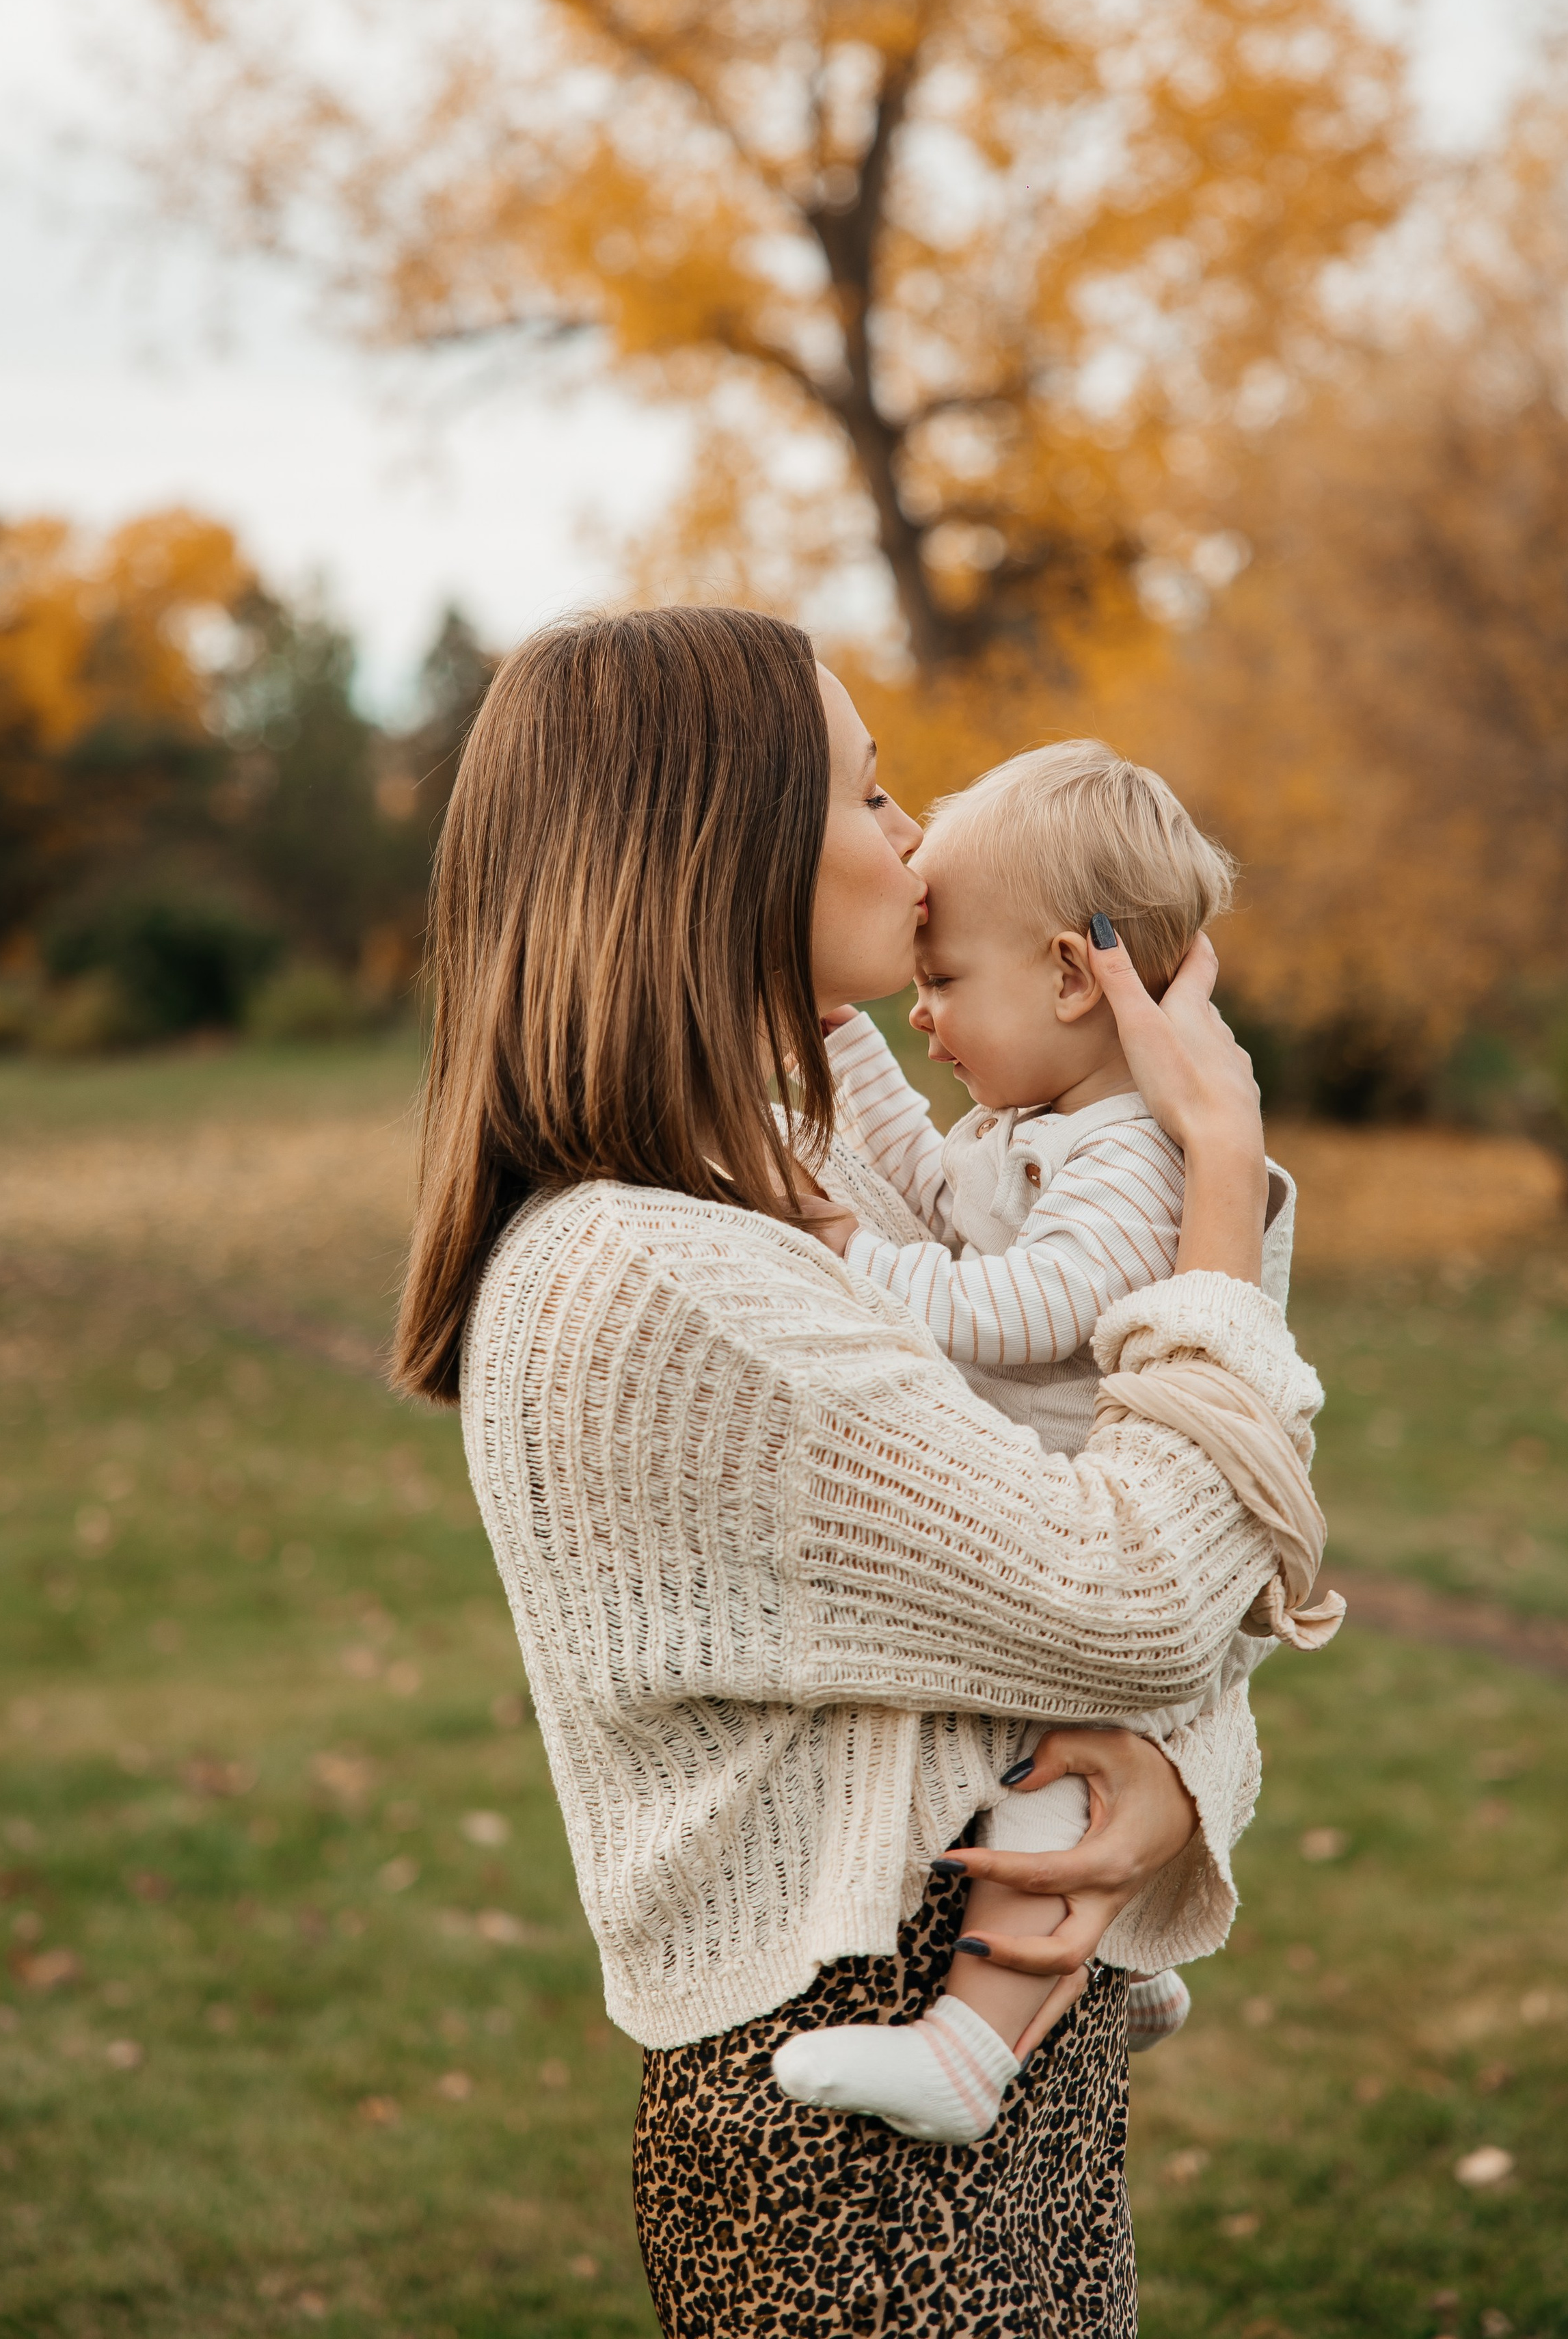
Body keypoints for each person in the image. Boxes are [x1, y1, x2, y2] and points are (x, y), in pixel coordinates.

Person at [394, 607, 1325, 2338]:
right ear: (725, 849)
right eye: (868, 791)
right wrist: (1214, 1172)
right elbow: (1138, 1595)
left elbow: (1174, 1550)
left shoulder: (769, 1185)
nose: (913, 841)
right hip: (860, 2184)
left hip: (993, 2095)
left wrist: (1170, 1766)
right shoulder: (663, 1276)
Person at [768, 738, 1342, 2147]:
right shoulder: (1030, 1126)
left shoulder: (1127, 1156)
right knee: (1052, 1784)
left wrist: (851, 1258)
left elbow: (1022, 1310)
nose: (922, 1016)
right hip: (1071, 1514)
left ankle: (970, 2050)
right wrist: (837, 1032)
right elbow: (927, 1183)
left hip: (1123, 1523)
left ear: (1072, 978)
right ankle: (1107, 1967)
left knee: (1050, 1786)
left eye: (944, 982)